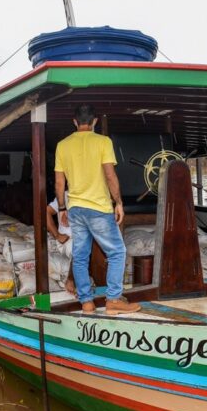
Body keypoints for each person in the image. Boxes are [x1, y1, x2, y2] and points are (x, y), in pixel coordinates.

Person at [54, 104, 141, 315]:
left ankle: (87, 303)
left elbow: (59, 183)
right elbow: (110, 176)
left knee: (81, 255)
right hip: (99, 208)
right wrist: (118, 202)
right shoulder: (103, 142)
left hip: (75, 208)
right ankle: (113, 300)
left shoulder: (62, 145)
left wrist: (62, 208)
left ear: (75, 122)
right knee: (117, 252)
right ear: (94, 122)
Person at [46, 191, 76, 295]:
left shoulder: (89, 195)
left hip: (82, 239)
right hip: (67, 241)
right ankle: (70, 280)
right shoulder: (65, 195)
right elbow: (46, 212)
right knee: (78, 250)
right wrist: (57, 235)